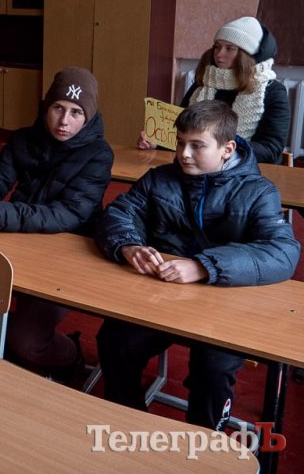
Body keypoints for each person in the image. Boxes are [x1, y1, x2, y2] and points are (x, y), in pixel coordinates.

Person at [97, 100, 300, 431]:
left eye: (197, 145)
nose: (184, 154)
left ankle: (204, 442)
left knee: (212, 367)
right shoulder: (159, 178)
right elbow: (119, 213)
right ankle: (128, 423)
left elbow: (283, 253)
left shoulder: (258, 192)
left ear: (227, 149)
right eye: (180, 143)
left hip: (227, 304)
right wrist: (128, 245)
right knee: (115, 340)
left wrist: (204, 266)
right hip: (163, 295)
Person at [0, 67, 112, 379]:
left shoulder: (98, 154)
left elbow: (67, 215)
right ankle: (10, 333)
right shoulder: (24, 139)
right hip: (19, 241)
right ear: (46, 106)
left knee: (28, 342)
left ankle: (70, 356)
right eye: (58, 108)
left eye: (76, 112)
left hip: (67, 255)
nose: (64, 121)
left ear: (88, 116)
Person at [139, 16, 289, 164]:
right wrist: (157, 142)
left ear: (246, 55)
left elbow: (271, 150)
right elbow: (183, 129)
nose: (219, 54)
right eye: (217, 47)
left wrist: (218, 148)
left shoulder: (273, 91)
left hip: (247, 171)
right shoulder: (204, 83)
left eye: (229, 48)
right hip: (195, 166)